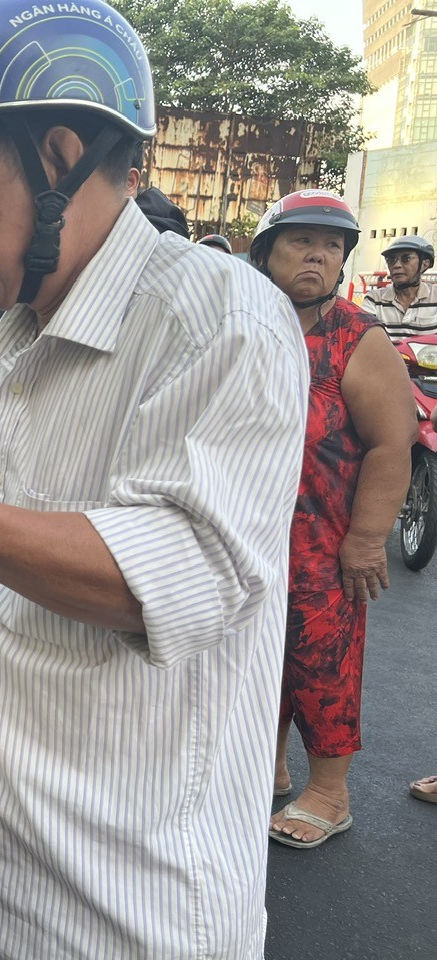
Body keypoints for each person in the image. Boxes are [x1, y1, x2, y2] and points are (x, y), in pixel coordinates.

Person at [0, 1, 310, 955]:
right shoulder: (22, 330)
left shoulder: (217, 314)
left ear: (61, 154)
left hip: (118, 911)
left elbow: (173, 573)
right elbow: (8, 563)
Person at [248, 191, 415, 849]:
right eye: (301, 242)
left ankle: (330, 792)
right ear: (265, 252)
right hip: (252, 536)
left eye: (331, 245)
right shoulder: (249, 322)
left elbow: (390, 443)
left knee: (323, 662)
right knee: (257, 659)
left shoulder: (357, 338)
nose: (318, 255)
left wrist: (369, 538)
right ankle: (271, 767)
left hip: (324, 540)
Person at [362, 236, 437, 343]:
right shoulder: (374, 299)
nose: (396, 265)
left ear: (425, 264)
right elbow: (364, 339)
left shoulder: (435, 296)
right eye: (391, 260)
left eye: (406, 258)